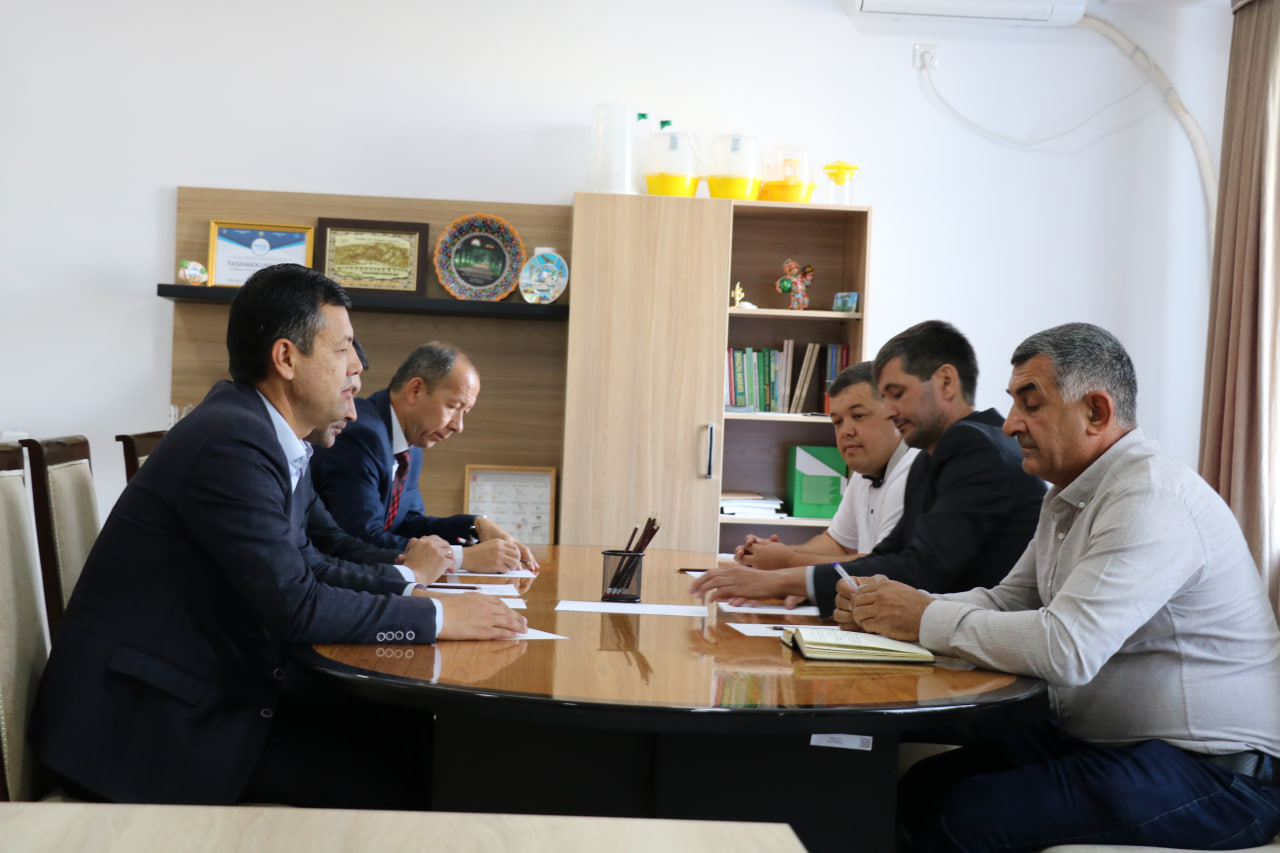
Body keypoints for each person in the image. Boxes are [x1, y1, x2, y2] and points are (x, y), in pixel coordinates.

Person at [32, 263, 526, 809]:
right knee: (410, 775)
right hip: (146, 728)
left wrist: (415, 591)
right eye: (342, 348)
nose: (357, 367)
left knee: (414, 735)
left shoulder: (266, 436)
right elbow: (296, 605)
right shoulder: (232, 440)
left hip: (212, 686)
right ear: (286, 358)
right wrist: (436, 617)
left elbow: (312, 562)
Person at [838, 323, 1280, 851]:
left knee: (965, 816)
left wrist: (921, 617)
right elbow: (1005, 600)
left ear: (1096, 411)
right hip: (1115, 746)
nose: (1010, 424)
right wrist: (891, 607)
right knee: (923, 787)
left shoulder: (1150, 496)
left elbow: (1068, 647)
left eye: (1031, 404)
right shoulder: (1070, 494)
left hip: (1216, 774)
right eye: (1013, 403)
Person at [693, 320, 1044, 610]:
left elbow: (920, 570)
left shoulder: (975, 447)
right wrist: (781, 579)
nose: (890, 411)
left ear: (946, 382)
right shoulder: (934, 453)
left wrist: (779, 579)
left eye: (897, 394)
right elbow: (889, 556)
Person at [311, 341, 537, 573]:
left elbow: (407, 524)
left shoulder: (411, 442)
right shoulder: (360, 437)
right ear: (415, 390)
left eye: (465, 412)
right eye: (453, 406)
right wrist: (459, 557)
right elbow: (360, 539)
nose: (458, 426)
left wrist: (476, 525)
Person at [710, 363, 917, 607]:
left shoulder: (914, 471)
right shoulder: (865, 471)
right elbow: (838, 544)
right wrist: (770, 557)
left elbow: (884, 568)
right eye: (837, 422)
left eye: (858, 416)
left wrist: (788, 566)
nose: (846, 431)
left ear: (896, 414)